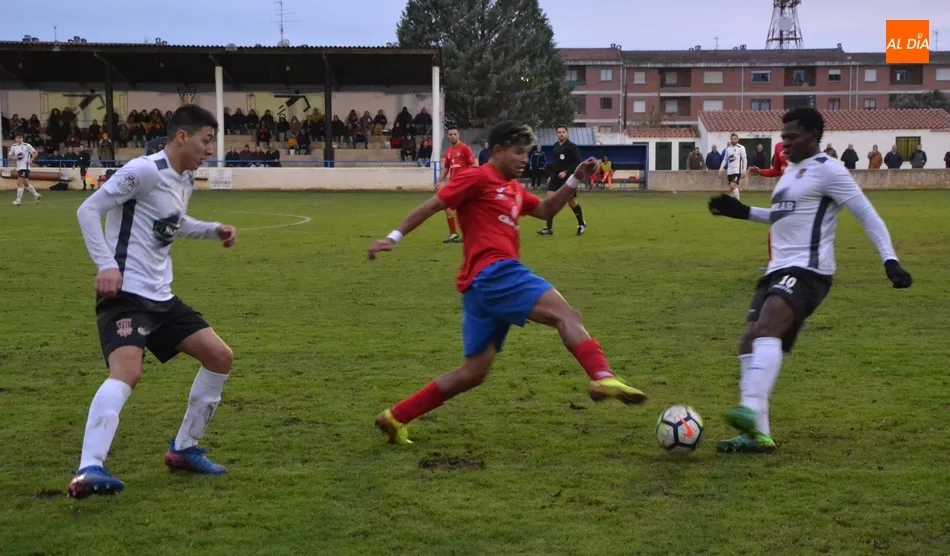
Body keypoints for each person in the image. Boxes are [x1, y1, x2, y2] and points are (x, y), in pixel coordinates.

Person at [367, 120, 646, 445]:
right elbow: (433, 205)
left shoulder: (514, 189)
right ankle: (602, 376)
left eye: (526, 153)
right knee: (567, 315)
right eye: (518, 152)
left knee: (473, 373)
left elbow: (544, 209)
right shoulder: (477, 177)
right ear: (497, 151)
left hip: (479, 288)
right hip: (495, 273)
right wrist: (392, 237)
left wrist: (573, 179)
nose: (524, 159)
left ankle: (396, 416)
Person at [707, 107, 913, 454]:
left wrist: (890, 260)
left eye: (792, 136)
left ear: (814, 136)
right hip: (778, 267)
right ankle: (758, 434)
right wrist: (744, 213)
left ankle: (751, 409)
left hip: (810, 270)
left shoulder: (830, 170)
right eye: (783, 136)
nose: (784, 143)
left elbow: (867, 214)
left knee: (767, 328)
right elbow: (784, 216)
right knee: (748, 340)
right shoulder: (791, 172)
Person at [68, 104, 239, 499]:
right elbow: (88, 209)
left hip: (162, 296)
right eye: (206, 140)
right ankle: (89, 468)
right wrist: (106, 265)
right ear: (182, 137)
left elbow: (172, 225)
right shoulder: (142, 171)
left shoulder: (185, 180)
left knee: (219, 356)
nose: (209, 149)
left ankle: (183, 449)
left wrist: (214, 230)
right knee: (127, 372)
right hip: (125, 294)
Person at [538, 125, 586, 236]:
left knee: (571, 201)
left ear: (567, 133)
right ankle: (549, 228)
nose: (561, 134)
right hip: (555, 177)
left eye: (563, 132)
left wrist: (566, 171)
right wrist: (552, 174)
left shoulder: (572, 146)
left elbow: (578, 162)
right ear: (556, 133)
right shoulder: (555, 146)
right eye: (559, 132)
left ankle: (581, 224)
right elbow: (556, 162)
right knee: (549, 201)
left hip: (568, 177)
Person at [435, 127, 477, 243]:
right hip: (453, 184)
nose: (452, 136)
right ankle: (455, 233)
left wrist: (471, 181)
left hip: (463, 184)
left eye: (454, 134)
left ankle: (462, 233)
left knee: (460, 209)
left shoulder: (464, 148)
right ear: (448, 136)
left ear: (458, 135)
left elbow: (473, 165)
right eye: (450, 134)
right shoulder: (448, 151)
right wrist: (438, 181)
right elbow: (446, 168)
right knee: (449, 207)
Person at [9, 133, 42, 206]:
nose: (19, 139)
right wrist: (14, 157)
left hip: (25, 167)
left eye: (20, 138)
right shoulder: (13, 146)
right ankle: (36, 195)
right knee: (26, 183)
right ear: (15, 139)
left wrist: (31, 160)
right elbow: (10, 155)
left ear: (22, 139)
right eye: (17, 138)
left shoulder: (27, 146)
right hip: (19, 167)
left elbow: (35, 153)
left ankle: (18, 201)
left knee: (19, 183)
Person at [718, 133, 747, 200]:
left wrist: (744, 170)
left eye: (734, 139)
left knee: (733, 186)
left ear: (737, 139)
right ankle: (733, 203)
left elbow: (744, 159)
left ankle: (738, 203)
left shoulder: (741, 148)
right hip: (730, 171)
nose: (733, 140)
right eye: (732, 139)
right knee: (731, 188)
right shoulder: (728, 149)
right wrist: (721, 168)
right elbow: (725, 159)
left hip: (737, 170)